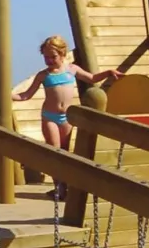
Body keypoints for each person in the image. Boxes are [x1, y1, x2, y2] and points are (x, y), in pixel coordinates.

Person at [13, 35, 121, 199]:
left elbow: (92, 78)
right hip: (50, 117)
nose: (49, 61)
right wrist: (7, 95)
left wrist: (108, 72)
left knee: (66, 153)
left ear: (62, 54)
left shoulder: (72, 69)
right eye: (46, 57)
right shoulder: (43, 75)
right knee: (55, 152)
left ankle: (65, 185)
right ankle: (59, 187)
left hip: (67, 118)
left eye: (53, 57)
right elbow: (26, 95)